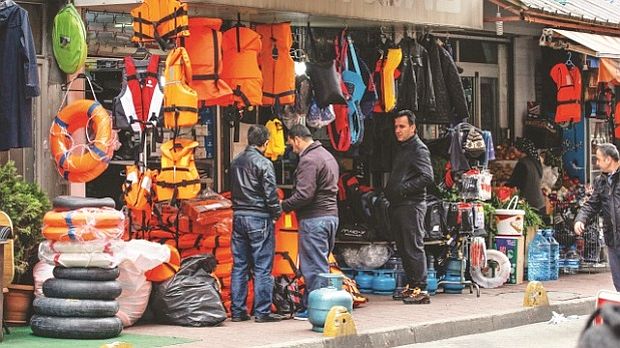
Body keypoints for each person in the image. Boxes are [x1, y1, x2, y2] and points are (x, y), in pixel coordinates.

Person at [281, 124, 339, 320]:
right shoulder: (327, 155)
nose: (292, 149)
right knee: (321, 264)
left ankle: (317, 309)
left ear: (297, 139)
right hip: (330, 217)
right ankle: (313, 305)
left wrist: (283, 205)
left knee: (314, 267)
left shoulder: (309, 160)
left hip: (315, 219)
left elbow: (304, 195)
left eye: (291, 145)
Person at [230, 125, 283, 323]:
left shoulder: (236, 162)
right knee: (262, 267)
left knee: (240, 265)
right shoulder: (264, 164)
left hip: (239, 216)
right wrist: (276, 213)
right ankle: (262, 312)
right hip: (259, 217)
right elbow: (270, 194)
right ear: (266, 143)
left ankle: (237, 311)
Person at [384, 110, 434, 304]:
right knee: (404, 247)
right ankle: (412, 285)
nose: (398, 130)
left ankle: (421, 289)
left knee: (413, 246)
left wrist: (403, 189)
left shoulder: (418, 149)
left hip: (411, 204)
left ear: (413, 127)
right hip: (400, 204)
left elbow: (427, 176)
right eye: (396, 126)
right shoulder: (403, 147)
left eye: (402, 126)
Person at [574, 143, 620, 291]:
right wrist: (580, 219)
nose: (597, 163)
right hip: (612, 238)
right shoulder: (601, 181)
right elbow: (592, 205)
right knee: (618, 281)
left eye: (599, 159)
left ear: (608, 160)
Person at [506, 138, 546, 216]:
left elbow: (515, 183)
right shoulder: (534, 161)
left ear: (520, 150)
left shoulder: (522, 164)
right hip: (540, 205)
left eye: (514, 150)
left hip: (531, 207)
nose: (513, 153)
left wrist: (503, 186)